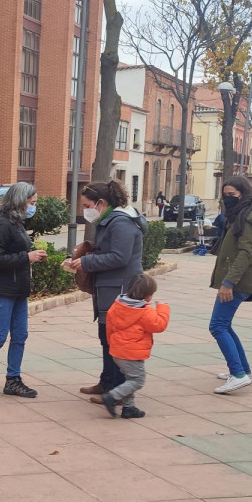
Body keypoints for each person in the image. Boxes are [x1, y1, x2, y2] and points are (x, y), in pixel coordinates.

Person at [63, 179, 147, 400]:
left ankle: (117, 389)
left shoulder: (121, 222)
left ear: (101, 202)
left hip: (120, 288)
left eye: (87, 206)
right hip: (109, 287)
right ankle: (107, 382)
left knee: (115, 339)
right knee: (106, 336)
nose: (85, 211)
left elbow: (120, 257)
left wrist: (87, 263)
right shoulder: (111, 220)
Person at [0, 182, 45, 399]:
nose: (33, 205)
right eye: (31, 202)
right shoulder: (2, 223)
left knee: (20, 335)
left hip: (18, 289)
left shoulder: (17, 221)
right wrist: (27, 257)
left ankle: (13, 380)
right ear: (20, 200)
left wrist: (31, 255)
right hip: (3, 290)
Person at [210, 176, 252, 394]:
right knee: (225, 325)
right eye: (225, 194)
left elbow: (245, 252)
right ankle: (243, 370)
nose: (227, 198)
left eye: (232, 195)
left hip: (238, 280)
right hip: (236, 278)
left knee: (218, 326)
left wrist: (228, 282)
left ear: (243, 194)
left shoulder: (248, 217)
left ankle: (238, 374)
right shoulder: (238, 215)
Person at [100, 273, 170, 419]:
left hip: (117, 351)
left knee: (129, 379)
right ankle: (112, 397)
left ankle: (129, 408)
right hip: (132, 354)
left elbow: (110, 328)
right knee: (137, 380)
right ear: (148, 296)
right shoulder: (145, 312)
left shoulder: (117, 306)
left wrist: (112, 345)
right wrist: (163, 309)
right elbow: (159, 325)